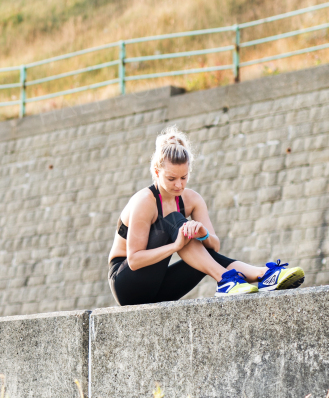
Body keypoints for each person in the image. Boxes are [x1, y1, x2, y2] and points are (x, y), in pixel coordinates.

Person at [107, 126, 304, 306]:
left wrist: (202, 234)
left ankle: (263, 275)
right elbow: (134, 260)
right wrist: (176, 245)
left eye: (184, 178)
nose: (179, 185)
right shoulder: (145, 201)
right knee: (176, 221)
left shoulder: (192, 199)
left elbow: (214, 247)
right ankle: (227, 280)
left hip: (159, 289)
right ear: (157, 172)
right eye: (171, 178)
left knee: (202, 254)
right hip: (128, 285)